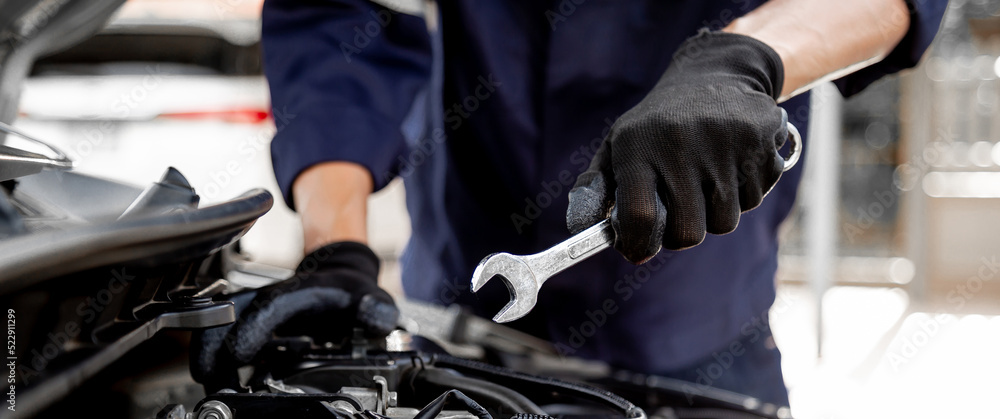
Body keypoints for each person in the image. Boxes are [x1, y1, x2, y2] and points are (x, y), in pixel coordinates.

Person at [193, 0, 946, 407]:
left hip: (697, 347)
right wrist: (338, 246)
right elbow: (337, 18)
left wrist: (744, 61)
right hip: (458, 332)